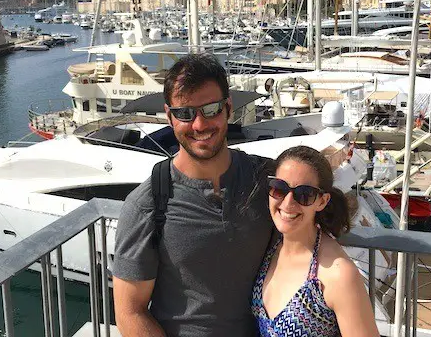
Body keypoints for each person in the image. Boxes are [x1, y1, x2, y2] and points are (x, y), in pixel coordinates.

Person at [113, 53, 273, 337]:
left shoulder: (266, 179)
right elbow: (130, 311)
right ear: (169, 116)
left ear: (228, 108)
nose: (199, 125)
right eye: (185, 113)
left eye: (210, 109)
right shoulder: (147, 205)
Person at [251, 146, 379, 337]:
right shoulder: (270, 247)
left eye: (304, 194)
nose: (287, 203)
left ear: (322, 201)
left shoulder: (337, 274)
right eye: (279, 188)